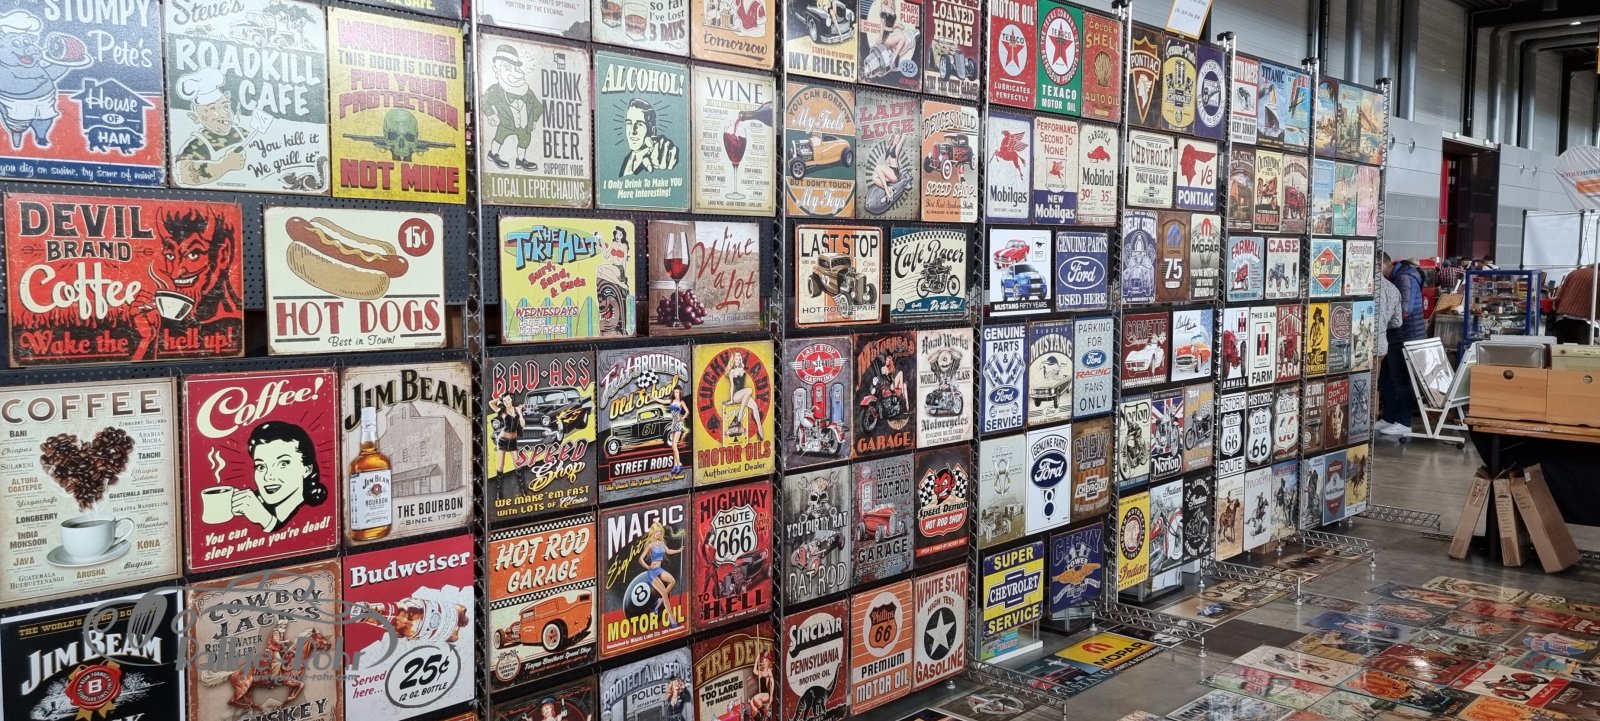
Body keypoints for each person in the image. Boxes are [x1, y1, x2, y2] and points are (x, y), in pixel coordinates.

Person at [231, 421, 329, 532]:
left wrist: (266, 520)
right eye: (261, 466)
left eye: (283, 464)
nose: (268, 476)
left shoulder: (313, 513)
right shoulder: (255, 511)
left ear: (307, 469)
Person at [1378, 254, 1426, 436]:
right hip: (1394, 334)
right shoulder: (1397, 278)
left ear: (1384, 264)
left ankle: (1404, 421)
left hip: (1406, 335)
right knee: (1387, 378)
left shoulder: (1404, 277)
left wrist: (1384, 318)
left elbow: (1405, 310)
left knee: (1400, 379)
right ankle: (1389, 417)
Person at [1373, 267, 1404, 426]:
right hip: (1381, 345)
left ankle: (1365, 425)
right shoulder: (1392, 289)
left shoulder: (1363, 287)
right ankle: (1370, 425)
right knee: (1373, 384)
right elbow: (1397, 322)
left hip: (1360, 345)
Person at [1552, 264, 1597, 345]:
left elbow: (1560, 295)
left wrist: (1557, 307)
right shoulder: (1597, 275)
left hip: (1562, 318)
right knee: (1581, 351)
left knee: (1562, 350)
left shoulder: (1574, 273)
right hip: (1583, 322)